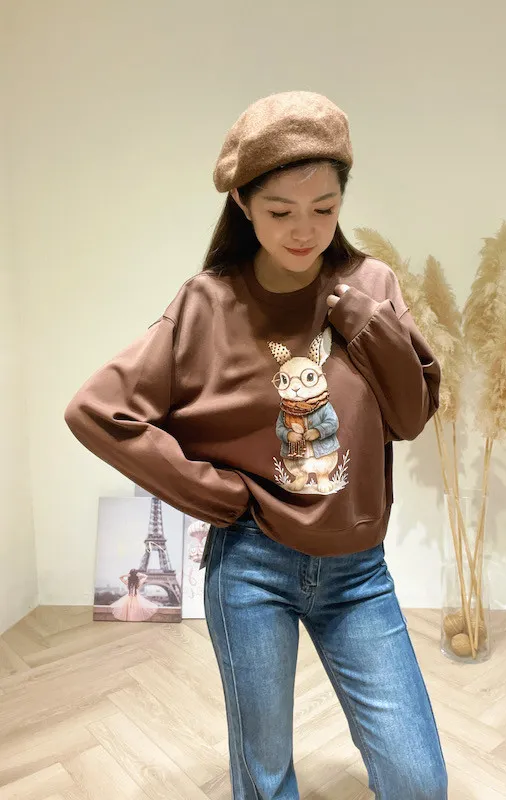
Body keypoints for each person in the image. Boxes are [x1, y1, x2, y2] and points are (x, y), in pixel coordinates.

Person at [65, 90, 447, 799]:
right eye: (280, 211)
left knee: (418, 781)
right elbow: (97, 410)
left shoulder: (370, 284)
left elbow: (409, 416)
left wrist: (368, 323)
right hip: (251, 567)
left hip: (357, 573)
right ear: (242, 202)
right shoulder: (207, 302)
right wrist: (213, 495)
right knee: (265, 780)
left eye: (324, 208)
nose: (305, 230)